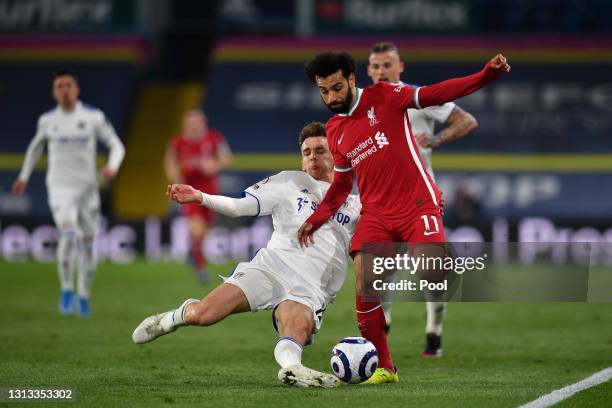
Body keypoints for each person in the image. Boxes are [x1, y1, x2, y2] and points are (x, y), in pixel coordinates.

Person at [298, 51, 510, 384]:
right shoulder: (336, 130)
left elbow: (436, 93)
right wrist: (316, 219)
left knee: (431, 269)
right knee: (365, 286)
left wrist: (486, 74)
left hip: (417, 204)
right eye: (324, 91)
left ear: (352, 79)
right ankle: (385, 367)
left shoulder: (385, 96)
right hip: (377, 215)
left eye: (337, 87)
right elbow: (340, 184)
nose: (331, 97)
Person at [133, 122, 361, 388]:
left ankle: (292, 369)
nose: (312, 156)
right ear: (301, 160)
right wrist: (200, 196)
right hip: (271, 267)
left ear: (336, 155)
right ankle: (170, 319)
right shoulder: (287, 182)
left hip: (311, 286)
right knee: (203, 316)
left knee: (296, 328)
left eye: (320, 150)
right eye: (306, 151)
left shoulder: (357, 205)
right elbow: (238, 207)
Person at [367, 41, 480, 356]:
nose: (381, 71)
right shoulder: (362, 104)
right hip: (379, 200)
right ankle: (384, 322)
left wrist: (436, 138)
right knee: (380, 268)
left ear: (400, 67)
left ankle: (434, 329)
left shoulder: (419, 97)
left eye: (387, 65)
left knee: (429, 269)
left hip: (419, 199)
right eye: (375, 66)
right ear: (368, 70)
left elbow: (467, 120)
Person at [12, 70, 125, 318]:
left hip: (88, 189)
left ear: (77, 90)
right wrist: (23, 175)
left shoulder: (93, 117)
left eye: (68, 85)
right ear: (54, 93)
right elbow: (35, 147)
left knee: (87, 244)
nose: (64, 89)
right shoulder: (47, 120)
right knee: (68, 232)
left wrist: (112, 167)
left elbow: (116, 145)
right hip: (60, 187)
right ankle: (66, 289)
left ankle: (83, 295)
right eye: (59, 86)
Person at [164, 109, 232, 283]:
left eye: (197, 122)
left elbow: (226, 158)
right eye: (191, 122)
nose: (194, 126)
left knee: (206, 227)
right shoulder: (178, 143)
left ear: (203, 122)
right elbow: (169, 163)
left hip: (210, 191)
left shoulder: (214, 138)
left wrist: (214, 165)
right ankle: (201, 268)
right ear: (185, 124)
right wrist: (176, 180)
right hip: (189, 192)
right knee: (197, 227)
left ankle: (192, 250)